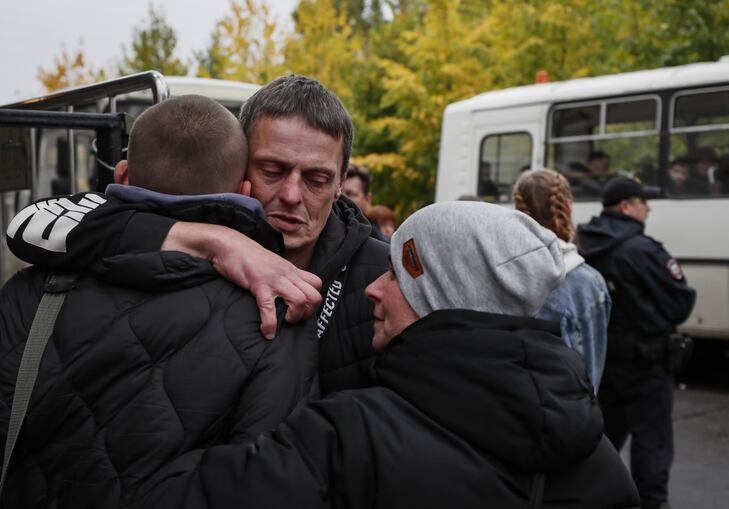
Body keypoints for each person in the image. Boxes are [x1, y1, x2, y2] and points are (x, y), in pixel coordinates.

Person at [131, 202, 640, 509]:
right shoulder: (601, 466)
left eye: (396, 272)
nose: (373, 288)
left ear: (439, 294)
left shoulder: (352, 439)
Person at [0, 96, 317, 506]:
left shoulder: (30, 288)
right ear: (243, 190)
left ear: (123, 175)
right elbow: (263, 481)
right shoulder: (274, 315)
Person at [6, 74, 390, 395]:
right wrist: (212, 241)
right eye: (272, 170)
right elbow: (29, 224)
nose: (291, 195)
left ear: (341, 183)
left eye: (316, 179)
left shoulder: (382, 276)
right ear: (239, 165)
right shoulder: (193, 249)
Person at [577, 176, 696, 509]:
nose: (649, 208)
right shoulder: (642, 249)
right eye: (644, 202)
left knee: (603, 439)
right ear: (627, 206)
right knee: (652, 444)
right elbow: (680, 302)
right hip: (647, 363)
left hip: (602, 360)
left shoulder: (583, 243)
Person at [513, 169, 610, 391]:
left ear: (518, 210)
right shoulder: (586, 283)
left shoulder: (499, 270)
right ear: (567, 207)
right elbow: (590, 370)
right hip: (565, 414)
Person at [342, 164, 388, 242]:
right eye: (338, 192)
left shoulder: (378, 244)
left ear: (367, 199)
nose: (341, 198)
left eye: (350, 194)